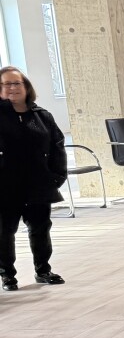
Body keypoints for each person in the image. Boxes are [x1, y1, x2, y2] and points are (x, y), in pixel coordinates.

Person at [0, 66, 67, 292]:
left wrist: (57, 176)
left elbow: (57, 146)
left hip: (38, 184)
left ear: (26, 87)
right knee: (4, 232)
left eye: (16, 83)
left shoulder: (42, 116)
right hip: (5, 186)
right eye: (6, 84)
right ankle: (7, 275)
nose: (12, 88)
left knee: (40, 229)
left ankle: (43, 270)